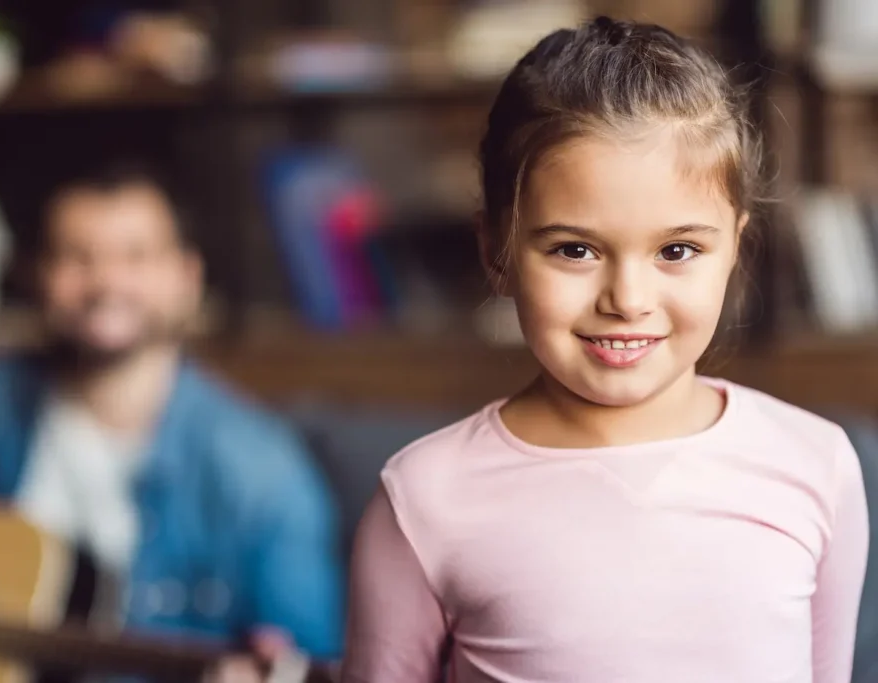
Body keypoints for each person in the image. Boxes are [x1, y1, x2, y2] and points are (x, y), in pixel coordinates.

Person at [342, 17, 869, 683]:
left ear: (735, 246)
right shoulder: (423, 501)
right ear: (494, 249)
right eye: (575, 249)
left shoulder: (815, 467)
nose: (627, 297)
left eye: (677, 250)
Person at [0, 163, 344, 680]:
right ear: (39, 276)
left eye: (135, 256)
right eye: (77, 257)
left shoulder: (262, 471)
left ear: (187, 277)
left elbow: (308, 655)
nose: (106, 281)